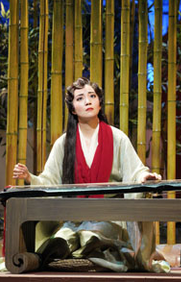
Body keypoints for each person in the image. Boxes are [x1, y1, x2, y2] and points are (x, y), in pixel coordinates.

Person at [9, 77, 169, 273]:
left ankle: (85, 256)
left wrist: (143, 176)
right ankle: (72, 255)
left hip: (108, 216)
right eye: (80, 98)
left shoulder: (117, 138)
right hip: (74, 218)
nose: (88, 101)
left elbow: (135, 170)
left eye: (92, 96)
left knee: (94, 234)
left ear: (100, 104)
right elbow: (49, 180)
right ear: (73, 109)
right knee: (62, 239)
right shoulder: (64, 143)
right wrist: (29, 178)